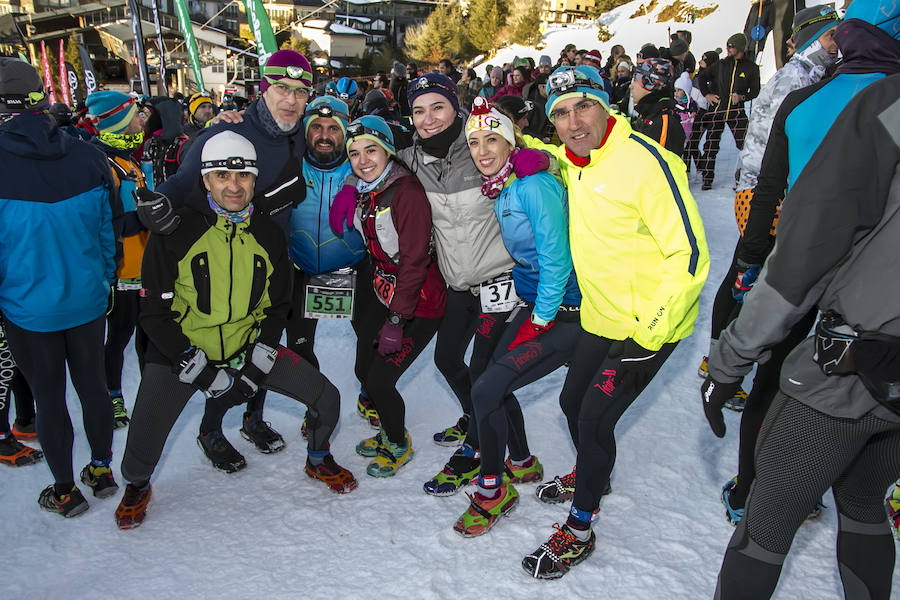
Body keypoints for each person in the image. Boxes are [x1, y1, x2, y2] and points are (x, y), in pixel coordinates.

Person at [703, 72, 900, 600]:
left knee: (765, 526)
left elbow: (805, 251)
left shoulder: (885, 103)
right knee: (862, 500)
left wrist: (730, 360)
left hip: (850, 371)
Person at [114, 130, 357, 529]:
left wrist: (260, 356)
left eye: (243, 177)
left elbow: (279, 305)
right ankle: (138, 485)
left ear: (254, 180)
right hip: (183, 350)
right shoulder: (174, 232)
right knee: (141, 442)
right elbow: (153, 315)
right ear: (206, 180)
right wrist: (200, 370)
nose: (233, 185)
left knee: (327, 398)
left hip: (244, 345)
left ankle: (318, 459)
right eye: (222, 176)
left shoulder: (267, 232)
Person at [522, 64, 708, 578]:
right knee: (569, 401)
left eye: (583, 105)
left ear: (607, 105)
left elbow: (689, 254)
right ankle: (593, 474)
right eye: (560, 113)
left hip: (648, 328)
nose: (574, 121)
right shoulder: (574, 160)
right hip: (601, 318)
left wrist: (650, 333)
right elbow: (560, 155)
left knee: (593, 417)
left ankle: (579, 528)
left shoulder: (649, 162)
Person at [330, 73, 548, 495]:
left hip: (501, 282)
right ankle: (508, 447)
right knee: (449, 360)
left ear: (455, 107)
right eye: (418, 110)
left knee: (487, 376)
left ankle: (478, 451)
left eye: (438, 108)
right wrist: (348, 185)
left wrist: (539, 161)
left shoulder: (480, 146)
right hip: (457, 285)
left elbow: (545, 153)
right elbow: (373, 163)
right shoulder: (411, 159)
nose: (428, 119)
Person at [147, 49, 313, 469]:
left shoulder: (298, 131)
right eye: (281, 88)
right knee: (227, 349)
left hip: (275, 261)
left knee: (264, 346)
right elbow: (182, 185)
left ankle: (253, 418)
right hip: (223, 266)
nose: (290, 100)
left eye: (300, 91)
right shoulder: (225, 135)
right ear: (262, 89)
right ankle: (210, 430)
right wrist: (151, 207)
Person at [453, 96, 579, 537]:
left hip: (567, 311)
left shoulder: (532, 186)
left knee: (487, 385)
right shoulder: (507, 185)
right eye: (474, 142)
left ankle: (493, 489)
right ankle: (521, 463)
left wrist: (540, 318)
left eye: (492, 139)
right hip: (539, 304)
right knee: (485, 378)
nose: (483, 150)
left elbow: (556, 259)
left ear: (510, 142)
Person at [0, 57, 121, 516]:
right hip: (87, 299)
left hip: (27, 307)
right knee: (93, 386)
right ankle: (102, 469)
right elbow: (108, 231)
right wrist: (106, 281)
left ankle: (66, 491)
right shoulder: (87, 153)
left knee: (48, 395)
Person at [338, 116, 446, 476]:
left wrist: (398, 320)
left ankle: (398, 442)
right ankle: (387, 429)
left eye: (371, 150)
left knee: (380, 381)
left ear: (388, 151)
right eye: (354, 154)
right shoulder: (368, 186)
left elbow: (415, 262)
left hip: (420, 304)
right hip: (386, 293)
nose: (363, 160)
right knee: (365, 370)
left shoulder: (407, 193)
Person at [290, 96, 376, 428]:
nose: (325, 135)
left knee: (370, 342)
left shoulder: (362, 165)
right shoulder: (289, 162)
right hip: (300, 270)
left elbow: (405, 159)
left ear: (345, 133)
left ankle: (370, 394)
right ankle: (314, 401)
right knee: (299, 348)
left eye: (333, 129)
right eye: (317, 127)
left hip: (353, 267)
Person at [86, 90, 153, 430]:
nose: (143, 120)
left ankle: (151, 396)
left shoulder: (131, 159)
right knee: (120, 335)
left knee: (148, 336)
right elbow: (106, 222)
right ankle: (112, 396)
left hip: (146, 267)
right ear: (121, 122)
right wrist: (145, 217)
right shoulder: (103, 162)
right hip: (121, 269)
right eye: (137, 115)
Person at [696, 33, 760, 190]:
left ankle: (745, 177)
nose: (728, 49)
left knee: (745, 144)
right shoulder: (721, 64)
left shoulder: (751, 67)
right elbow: (702, 77)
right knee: (710, 146)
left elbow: (756, 91)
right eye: (727, 46)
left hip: (736, 112)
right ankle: (707, 179)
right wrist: (707, 94)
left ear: (739, 47)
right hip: (717, 110)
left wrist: (742, 97)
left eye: (731, 46)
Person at [628, 58, 685, 156]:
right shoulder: (647, 113)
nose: (631, 86)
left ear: (650, 83)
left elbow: (662, 166)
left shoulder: (665, 123)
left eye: (636, 80)